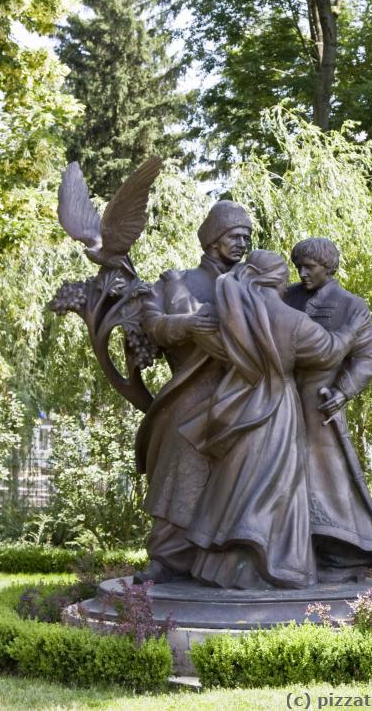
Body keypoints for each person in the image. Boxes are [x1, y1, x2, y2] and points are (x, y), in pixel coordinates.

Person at [177, 250, 367, 589]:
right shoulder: (290, 320)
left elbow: (209, 341)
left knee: (237, 483)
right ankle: (275, 568)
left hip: (237, 406)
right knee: (276, 487)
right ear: (278, 279)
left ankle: (220, 568)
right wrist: (352, 330)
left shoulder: (232, 311)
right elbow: (330, 350)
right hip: (277, 409)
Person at [134, 200, 252, 583]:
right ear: (214, 239)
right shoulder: (176, 281)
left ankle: (230, 556)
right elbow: (152, 324)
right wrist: (188, 323)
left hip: (241, 391)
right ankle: (167, 558)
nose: (241, 244)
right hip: (189, 390)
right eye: (234, 236)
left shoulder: (252, 284)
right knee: (179, 471)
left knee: (243, 474)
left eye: (247, 237)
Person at [284, 237, 372, 582]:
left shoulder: (350, 306)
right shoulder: (285, 297)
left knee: (326, 478)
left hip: (320, 405)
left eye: (311, 268)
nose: (303, 273)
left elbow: (368, 356)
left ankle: (343, 550)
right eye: (299, 267)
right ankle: (290, 551)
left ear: (329, 268)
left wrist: (342, 391)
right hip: (280, 400)